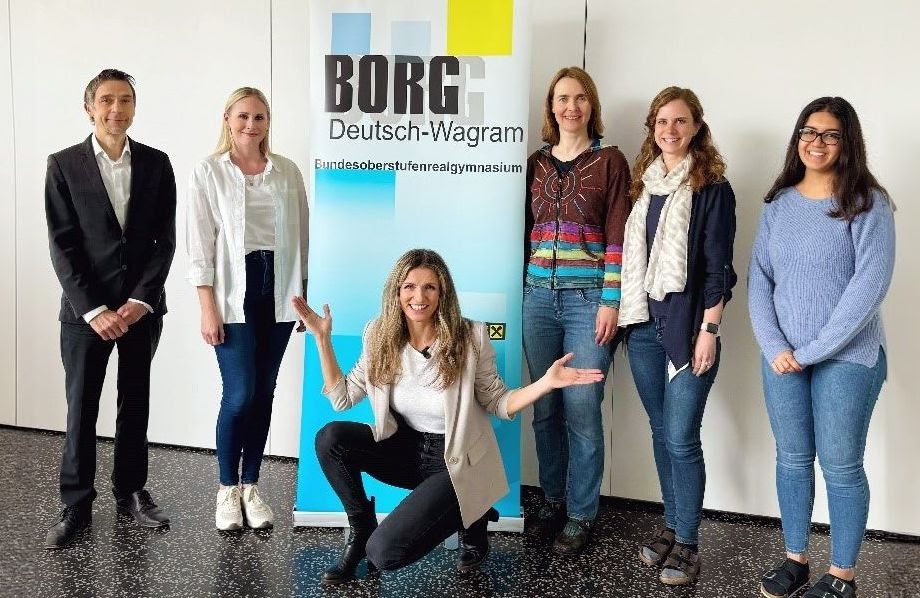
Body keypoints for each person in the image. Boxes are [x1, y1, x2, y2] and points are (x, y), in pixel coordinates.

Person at [294, 248, 604, 584]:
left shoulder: (470, 337)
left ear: (443, 293)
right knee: (331, 438)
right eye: (409, 286)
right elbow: (341, 399)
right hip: (405, 450)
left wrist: (545, 383)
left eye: (430, 287)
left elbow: (498, 401)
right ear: (396, 292)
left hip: (454, 461)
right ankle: (361, 527)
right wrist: (322, 339)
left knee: (383, 553)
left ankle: (471, 513)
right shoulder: (378, 334)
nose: (419, 297)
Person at [749, 97, 895, 598]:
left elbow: (868, 288)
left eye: (831, 134)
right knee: (791, 459)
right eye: (809, 132)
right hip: (782, 357)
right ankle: (796, 560)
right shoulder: (778, 204)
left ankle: (842, 576)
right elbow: (760, 280)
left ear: (847, 142)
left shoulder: (869, 203)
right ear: (798, 138)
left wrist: (809, 351)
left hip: (848, 357)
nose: (817, 142)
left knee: (840, 465)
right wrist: (775, 346)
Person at [44, 69, 177, 549]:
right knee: (81, 407)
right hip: (86, 313)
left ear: (134, 108)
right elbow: (62, 246)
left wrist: (140, 301)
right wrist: (95, 309)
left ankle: (131, 492)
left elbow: (164, 241)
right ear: (89, 108)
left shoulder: (157, 164)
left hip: (141, 309)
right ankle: (76, 503)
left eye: (125, 100)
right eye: (106, 100)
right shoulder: (63, 165)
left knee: (134, 401)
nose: (116, 109)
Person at [618, 86, 736, 585]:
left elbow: (718, 269)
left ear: (696, 128)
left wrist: (710, 329)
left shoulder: (713, 189)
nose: (670, 129)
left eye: (680, 121)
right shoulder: (643, 186)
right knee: (661, 430)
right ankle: (671, 525)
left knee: (682, 437)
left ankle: (688, 542)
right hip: (643, 326)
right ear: (653, 128)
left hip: (689, 327)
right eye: (662, 121)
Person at [186, 87, 309, 532]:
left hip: (278, 290)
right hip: (232, 294)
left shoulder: (286, 171)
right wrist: (207, 307)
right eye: (243, 116)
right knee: (239, 393)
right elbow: (199, 244)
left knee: (264, 392)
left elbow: (302, 235)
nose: (251, 125)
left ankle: (251, 486)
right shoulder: (208, 171)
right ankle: (226, 488)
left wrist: (302, 295)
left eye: (259, 117)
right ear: (227, 118)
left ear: (268, 122)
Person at [522, 66, 631, 554]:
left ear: (592, 106)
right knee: (544, 406)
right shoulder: (534, 164)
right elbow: (521, 232)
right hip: (537, 300)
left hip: (588, 303)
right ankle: (552, 500)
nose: (572, 107)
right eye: (563, 98)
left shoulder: (610, 162)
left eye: (580, 98)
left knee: (582, 407)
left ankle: (582, 513)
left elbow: (619, 237)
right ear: (551, 107)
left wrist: (611, 300)